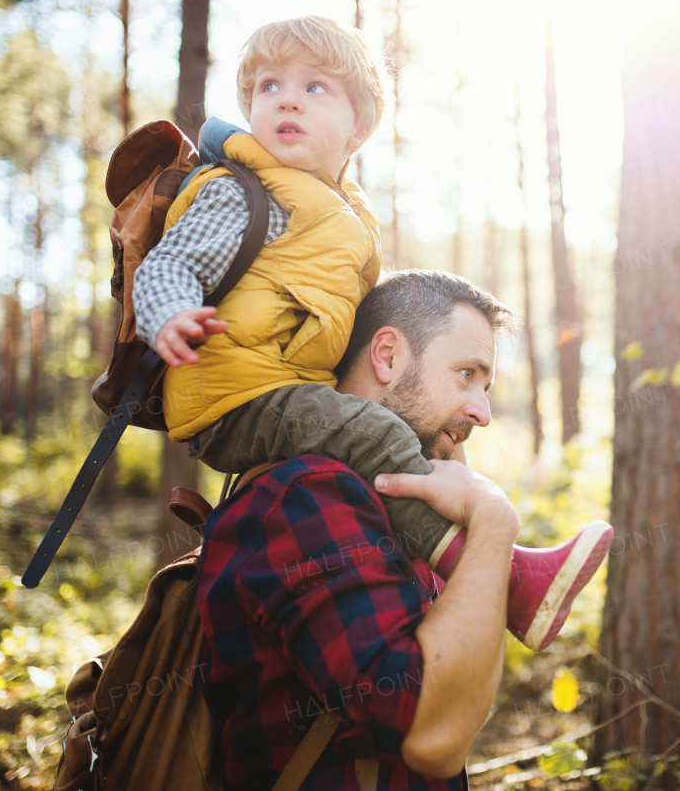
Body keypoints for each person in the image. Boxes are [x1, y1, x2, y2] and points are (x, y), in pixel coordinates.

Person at [132, 17, 610, 651]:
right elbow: (170, 263)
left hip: (279, 387)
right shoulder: (239, 190)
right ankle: (505, 577)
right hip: (233, 395)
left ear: (358, 130)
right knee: (374, 432)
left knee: (391, 436)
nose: (288, 98)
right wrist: (169, 312)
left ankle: (482, 573)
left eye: (316, 87)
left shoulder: (341, 216)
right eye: (269, 86)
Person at [197, 271, 581, 790]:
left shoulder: (392, 506)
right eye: (466, 374)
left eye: (486, 388)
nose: (483, 412)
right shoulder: (311, 495)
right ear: (388, 356)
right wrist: (493, 520)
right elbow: (434, 734)